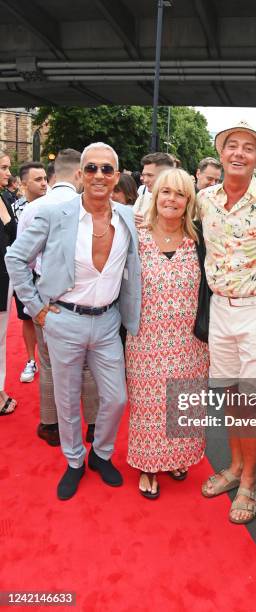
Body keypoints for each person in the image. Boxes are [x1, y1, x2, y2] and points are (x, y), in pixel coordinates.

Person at [6, 142, 141, 501]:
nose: (99, 175)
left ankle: (101, 454)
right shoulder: (55, 214)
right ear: (81, 175)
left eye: (107, 169)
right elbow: (16, 258)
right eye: (92, 168)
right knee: (66, 400)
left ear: (117, 176)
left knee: (115, 398)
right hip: (64, 319)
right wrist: (35, 307)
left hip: (109, 322)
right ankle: (75, 461)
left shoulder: (128, 217)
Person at [198, 120, 256, 524]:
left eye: (248, 148)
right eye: (232, 145)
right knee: (232, 396)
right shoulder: (205, 198)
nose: (239, 153)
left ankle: (249, 481)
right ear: (221, 153)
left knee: (252, 402)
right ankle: (234, 467)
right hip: (220, 308)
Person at [126, 168, 209, 498]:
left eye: (180, 194)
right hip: (145, 339)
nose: (172, 199)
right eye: (165, 192)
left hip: (190, 341)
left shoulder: (199, 240)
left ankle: (177, 457)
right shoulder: (136, 235)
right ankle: (148, 464)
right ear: (155, 195)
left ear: (188, 201)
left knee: (183, 403)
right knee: (148, 405)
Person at [17, 149, 99, 447]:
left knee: (50, 363)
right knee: (88, 364)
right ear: (79, 173)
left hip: (46, 295)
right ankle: (91, 426)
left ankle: (51, 426)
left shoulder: (33, 208)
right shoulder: (89, 206)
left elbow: (20, 260)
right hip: (86, 294)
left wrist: (33, 304)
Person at [13, 161, 48, 384]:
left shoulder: (53, 205)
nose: (44, 183)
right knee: (27, 317)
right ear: (24, 183)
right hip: (25, 273)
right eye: (38, 179)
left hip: (47, 275)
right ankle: (30, 359)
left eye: (45, 178)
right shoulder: (16, 207)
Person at [0, 150, 17, 415]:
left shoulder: (5, 197)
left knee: (1, 339)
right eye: (3, 167)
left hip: (5, 279)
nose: (9, 173)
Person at [132, 152, 174, 224]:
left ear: (166, 175)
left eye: (150, 175)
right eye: (144, 175)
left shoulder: (176, 202)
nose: (145, 180)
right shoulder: (144, 196)